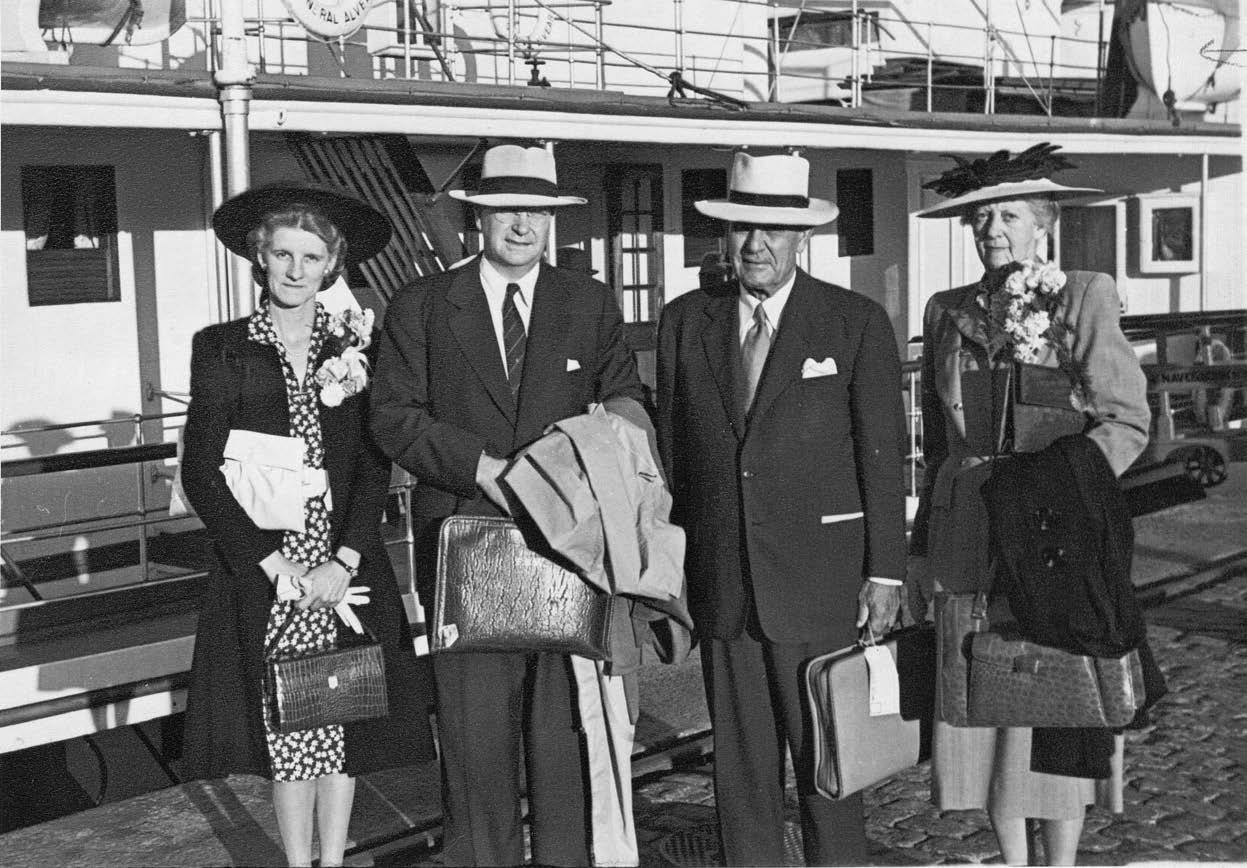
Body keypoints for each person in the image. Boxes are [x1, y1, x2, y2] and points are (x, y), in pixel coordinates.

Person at [369, 143, 648, 867]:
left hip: (568, 546)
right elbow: (392, 416)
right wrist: (482, 468)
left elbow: (627, 397)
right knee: (472, 741)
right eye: (504, 210)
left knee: (563, 740)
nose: (520, 224)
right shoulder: (422, 306)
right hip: (467, 544)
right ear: (477, 217)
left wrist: (591, 448)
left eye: (535, 210)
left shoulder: (586, 302)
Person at [656, 151, 908, 866]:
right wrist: (675, 570)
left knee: (829, 768)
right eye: (741, 228)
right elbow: (676, 455)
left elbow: (880, 456)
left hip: (821, 582)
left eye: (771, 230)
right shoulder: (685, 323)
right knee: (739, 779)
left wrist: (884, 573)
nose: (755, 245)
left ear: (802, 238)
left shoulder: (852, 322)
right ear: (724, 234)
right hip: (725, 585)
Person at [908, 144, 1151, 866]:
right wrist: (919, 546)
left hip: (1050, 534)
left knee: (1053, 698)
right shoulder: (946, 310)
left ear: (1041, 223)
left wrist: (1064, 489)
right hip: (965, 530)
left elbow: (1125, 420)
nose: (992, 231)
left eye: (1008, 216)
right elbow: (935, 442)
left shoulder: (1080, 294)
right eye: (980, 219)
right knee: (979, 698)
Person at [180, 183, 433, 868]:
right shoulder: (224, 348)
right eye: (283, 254)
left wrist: (343, 558)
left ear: (332, 265)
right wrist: (271, 565)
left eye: (311, 256)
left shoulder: (356, 349)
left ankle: (337, 859)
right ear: (260, 259)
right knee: (292, 730)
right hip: (271, 570)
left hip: (338, 568)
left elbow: (373, 467)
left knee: (343, 716)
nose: (296, 269)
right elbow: (201, 473)